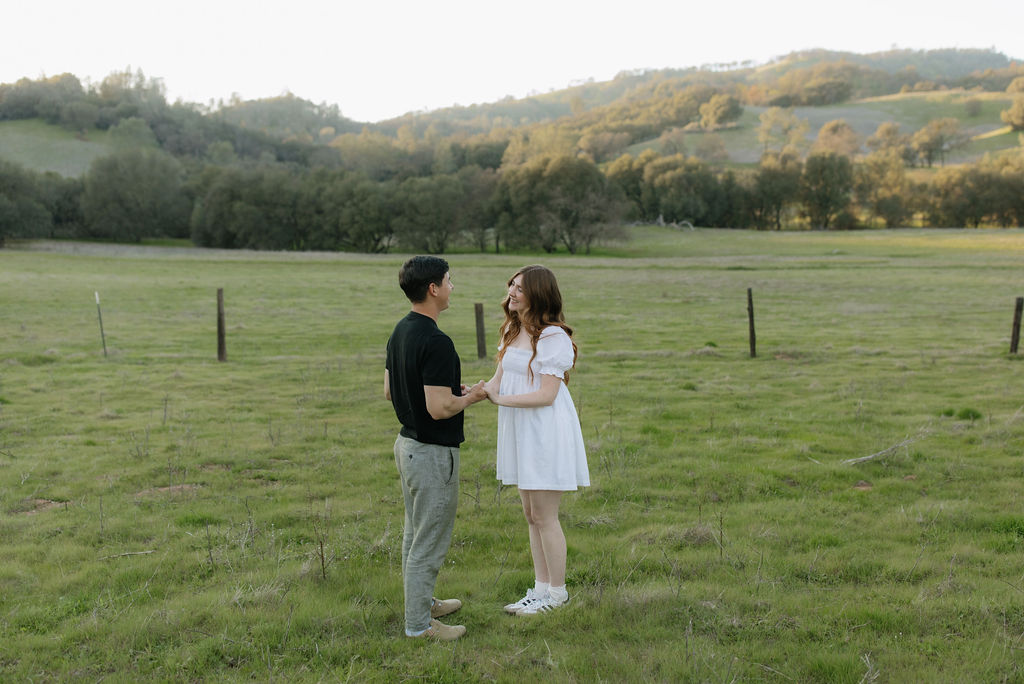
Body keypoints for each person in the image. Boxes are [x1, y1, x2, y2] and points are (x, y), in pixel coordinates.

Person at [384, 255, 487, 641]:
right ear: (433, 289)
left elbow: (390, 390)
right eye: (448, 280)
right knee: (429, 540)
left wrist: (449, 393)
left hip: (406, 445)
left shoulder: (400, 331)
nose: (452, 286)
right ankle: (419, 626)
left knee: (415, 533)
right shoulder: (436, 341)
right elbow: (439, 408)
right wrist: (473, 395)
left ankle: (422, 603)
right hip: (430, 453)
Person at [483, 265, 589, 616]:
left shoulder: (552, 338)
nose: (511, 292)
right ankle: (540, 589)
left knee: (545, 515)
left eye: (520, 289)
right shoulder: (513, 330)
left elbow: (546, 395)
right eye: (511, 285)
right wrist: (468, 394)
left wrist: (501, 401)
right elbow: (496, 383)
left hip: (544, 431)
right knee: (531, 514)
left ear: (538, 296)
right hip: (520, 429)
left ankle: (557, 595)